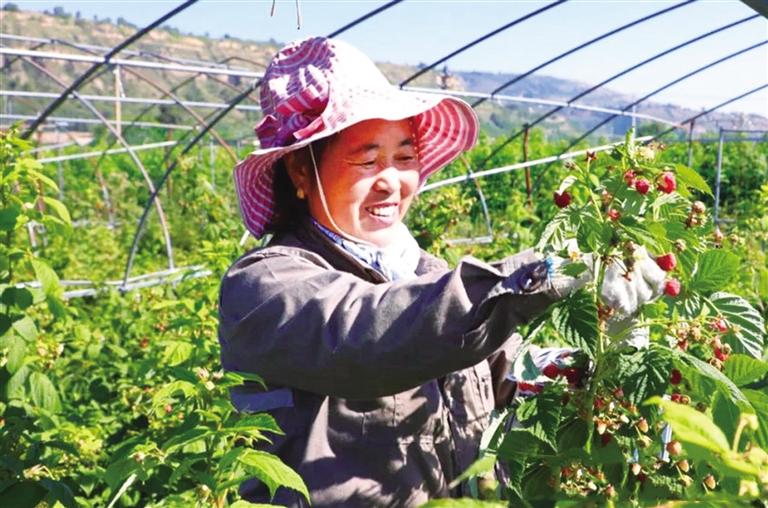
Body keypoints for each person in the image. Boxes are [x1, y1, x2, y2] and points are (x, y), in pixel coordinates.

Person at [218, 37, 663, 507]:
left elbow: (505, 369)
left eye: (405, 158)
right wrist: (546, 272)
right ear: (300, 172)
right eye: (367, 160)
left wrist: (603, 362)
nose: (392, 182)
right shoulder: (265, 285)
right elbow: (374, 332)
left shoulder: (421, 271)